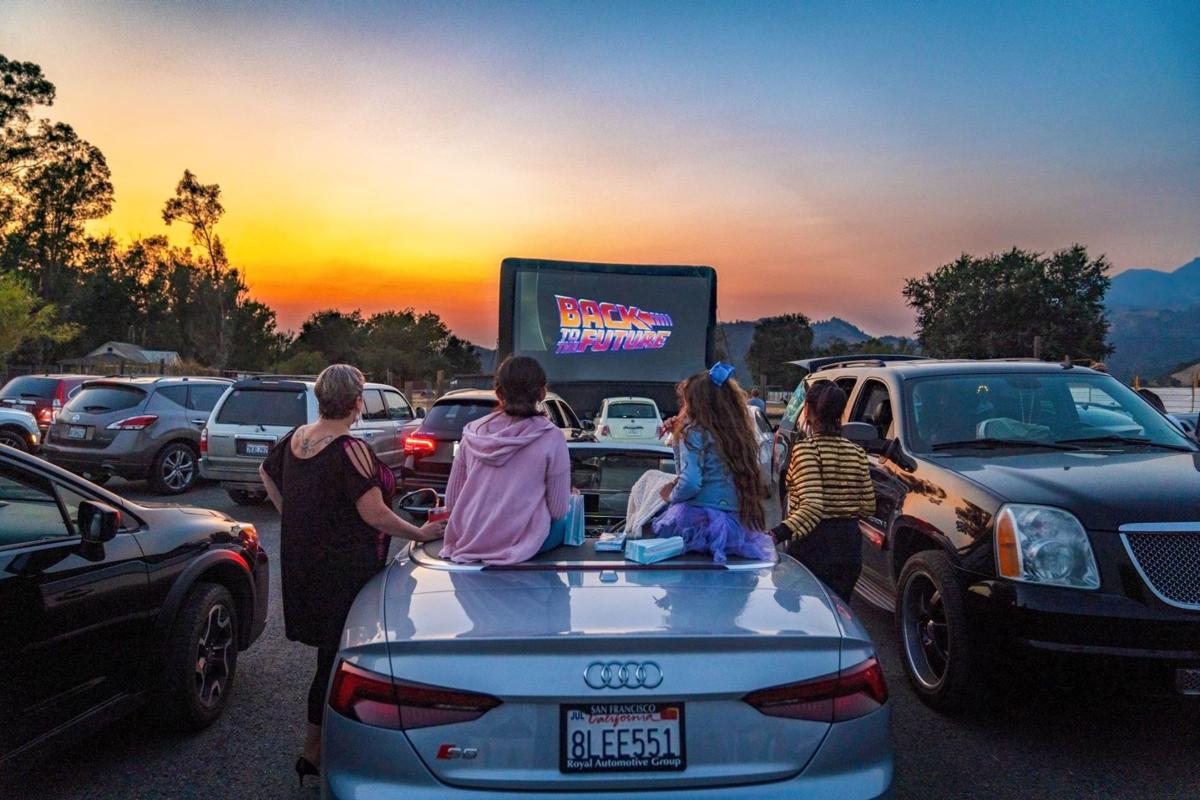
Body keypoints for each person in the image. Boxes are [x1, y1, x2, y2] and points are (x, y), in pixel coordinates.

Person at [258, 364, 444, 785]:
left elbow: (265, 473)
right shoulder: (350, 449)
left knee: (329, 656)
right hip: (345, 568)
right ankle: (317, 753)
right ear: (357, 402)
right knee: (340, 662)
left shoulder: (297, 438)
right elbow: (375, 514)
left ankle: (317, 749)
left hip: (306, 563)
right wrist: (420, 532)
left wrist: (292, 515)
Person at [440, 356, 572, 565]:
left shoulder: (473, 433)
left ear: (499, 393)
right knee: (566, 520)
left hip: (469, 543)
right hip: (523, 545)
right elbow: (558, 511)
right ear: (542, 392)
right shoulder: (552, 437)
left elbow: (452, 502)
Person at [652, 363, 775, 563]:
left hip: (698, 519)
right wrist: (678, 437)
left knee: (689, 579)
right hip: (736, 522)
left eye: (686, 402)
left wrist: (670, 496)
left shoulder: (694, 432)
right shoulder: (739, 434)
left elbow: (689, 481)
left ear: (697, 404)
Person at [771, 381, 875, 602]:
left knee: (807, 613)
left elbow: (813, 507)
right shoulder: (857, 452)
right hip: (849, 549)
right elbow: (868, 506)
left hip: (814, 548)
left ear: (808, 410)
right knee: (837, 613)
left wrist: (775, 534)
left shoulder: (806, 450)